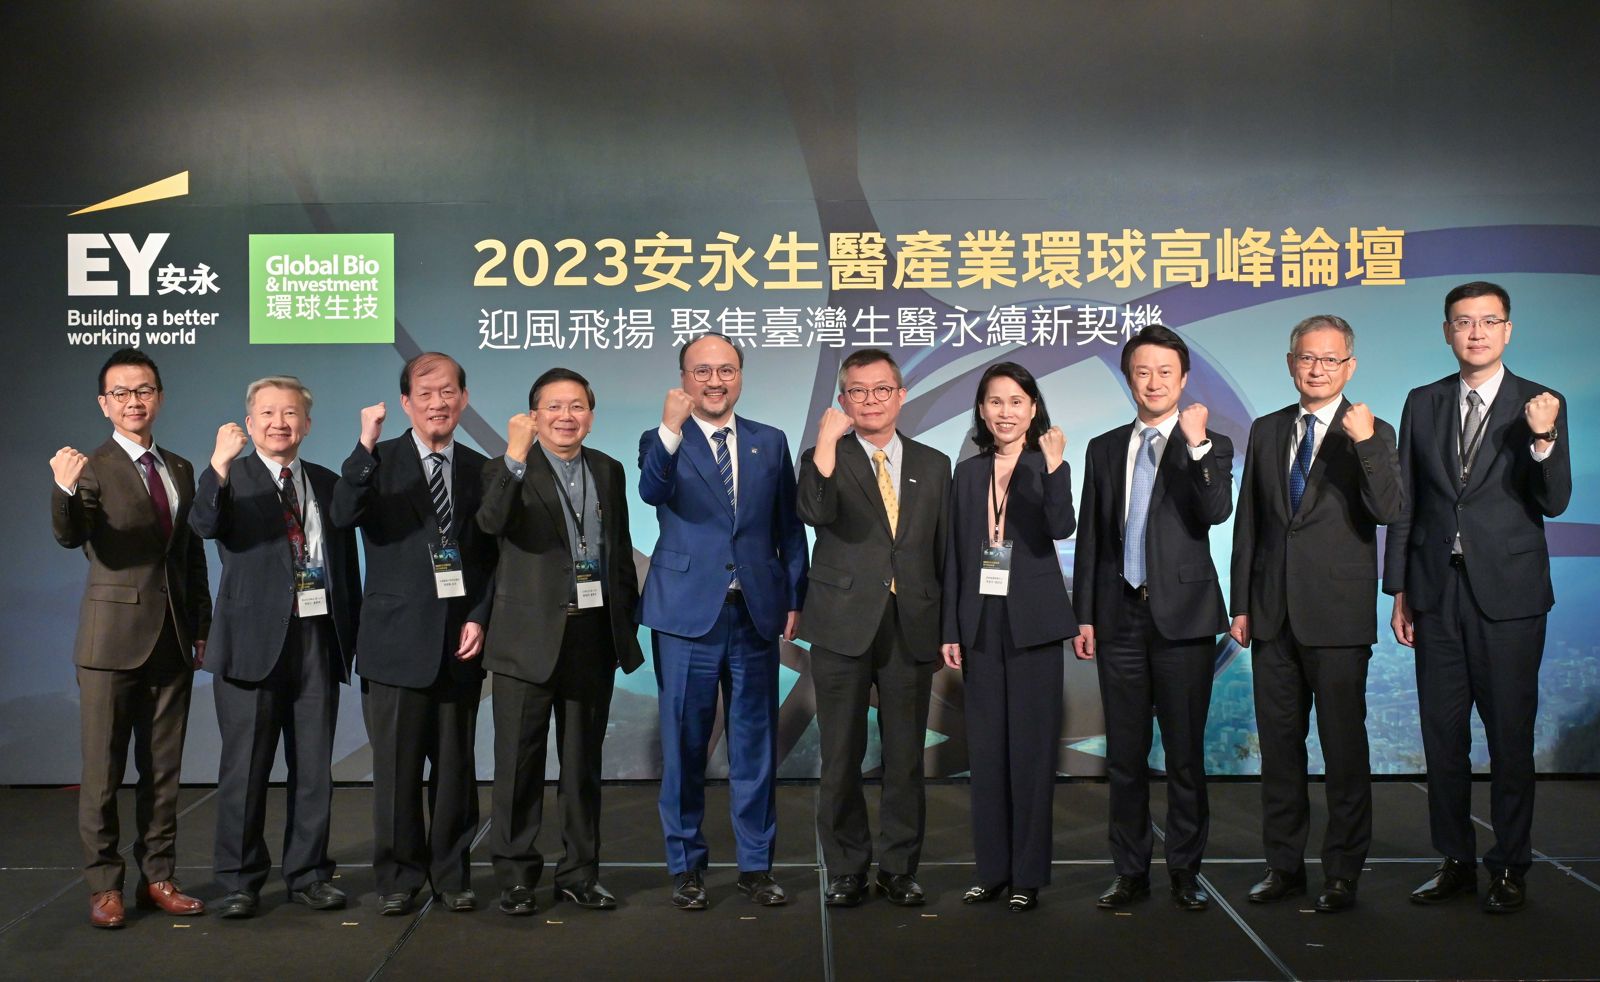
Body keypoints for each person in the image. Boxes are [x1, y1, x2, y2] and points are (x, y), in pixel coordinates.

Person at [1385, 281, 1569, 914]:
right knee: (1442, 737)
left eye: (1489, 321)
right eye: (1464, 322)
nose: (1476, 333)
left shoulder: (1540, 402)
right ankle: (1456, 860)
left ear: (1508, 330)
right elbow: (1407, 502)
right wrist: (1400, 587)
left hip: (1510, 597)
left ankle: (1510, 864)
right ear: (1447, 331)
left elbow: (1555, 500)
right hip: (1436, 591)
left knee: (1510, 737)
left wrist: (1542, 441)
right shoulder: (1423, 401)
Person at [1228, 317, 1402, 913]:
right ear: (1290, 363)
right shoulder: (1268, 428)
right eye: (1307, 358)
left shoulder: (1373, 429)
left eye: (1330, 359)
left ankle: (1343, 872)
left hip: (1337, 618)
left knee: (1344, 751)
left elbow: (1389, 510)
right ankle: (1283, 866)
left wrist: (1366, 443)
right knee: (1280, 750)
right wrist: (1241, 603)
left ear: (1350, 366)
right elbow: (1250, 523)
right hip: (1272, 615)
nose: (1317, 369)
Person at [637, 333, 808, 909]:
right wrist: (670, 426)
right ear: (684, 379)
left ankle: (756, 865)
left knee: (755, 745)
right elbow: (652, 490)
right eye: (703, 371)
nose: (716, 381)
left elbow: (788, 528)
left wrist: (794, 595)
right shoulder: (661, 439)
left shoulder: (769, 440)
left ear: (740, 376)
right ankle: (686, 866)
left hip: (755, 612)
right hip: (686, 616)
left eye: (727, 370)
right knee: (685, 744)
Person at [328, 352, 496, 915]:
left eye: (448, 392)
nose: (437, 403)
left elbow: (490, 557)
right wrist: (365, 444)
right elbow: (342, 514)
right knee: (396, 772)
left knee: (455, 772)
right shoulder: (378, 461)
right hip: (394, 641)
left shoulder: (480, 469)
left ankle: (452, 873)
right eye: (425, 393)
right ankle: (398, 877)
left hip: (459, 642)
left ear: (464, 399)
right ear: (405, 402)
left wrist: (480, 615)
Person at [1073, 324, 1233, 912]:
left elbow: (1216, 511)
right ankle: (1129, 871)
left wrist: (1196, 445)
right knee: (1125, 755)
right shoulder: (1105, 447)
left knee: (1185, 755)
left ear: (1184, 379)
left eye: (1166, 372)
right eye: (1142, 371)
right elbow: (1092, 537)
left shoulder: (1210, 444)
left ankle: (1186, 872)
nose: (1154, 382)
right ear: (1128, 378)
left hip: (1184, 619)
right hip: (1118, 617)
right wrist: (1085, 615)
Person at [49, 348, 210, 928]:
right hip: (110, 643)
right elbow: (73, 535)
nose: (133, 401)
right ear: (104, 404)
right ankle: (105, 887)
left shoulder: (181, 468)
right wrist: (64, 491)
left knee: (163, 771)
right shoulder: (89, 468)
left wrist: (201, 627)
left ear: (159, 397)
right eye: (120, 392)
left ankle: (158, 877)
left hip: (172, 638)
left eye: (143, 390)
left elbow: (190, 556)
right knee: (103, 773)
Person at [190, 376, 362, 919]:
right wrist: (218, 465)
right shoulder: (229, 477)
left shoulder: (326, 483)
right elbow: (203, 524)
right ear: (249, 423)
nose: (279, 423)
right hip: (250, 644)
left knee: (313, 768)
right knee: (244, 769)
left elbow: (345, 563)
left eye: (290, 413)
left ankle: (308, 873)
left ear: (307, 424)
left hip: (316, 638)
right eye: (267, 413)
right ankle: (239, 881)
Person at [478, 368, 644, 917]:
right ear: (533, 416)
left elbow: (618, 549)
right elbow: (490, 523)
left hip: (591, 637)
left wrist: (625, 617)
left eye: (577, 406)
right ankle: (516, 876)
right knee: (518, 766)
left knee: (581, 767)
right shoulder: (504, 468)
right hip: (525, 640)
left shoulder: (608, 469)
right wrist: (515, 455)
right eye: (553, 407)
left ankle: (579, 873)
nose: (566, 417)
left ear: (591, 416)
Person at [797, 349, 950, 908]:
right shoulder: (824, 456)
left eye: (881, 389)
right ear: (842, 400)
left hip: (912, 622)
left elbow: (943, 551)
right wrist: (825, 443)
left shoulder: (933, 463)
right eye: (857, 391)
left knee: (905, 757)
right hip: (842, 623)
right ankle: (845, 868)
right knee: (841, 754)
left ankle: (900, 868)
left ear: (900, 395)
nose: (870, 400)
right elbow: (812, 513)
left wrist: (948, 624)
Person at [940, 361, 1074, 912]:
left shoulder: (1048, 463)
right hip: (980, 622)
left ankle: (1028, 876)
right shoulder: (968, 473)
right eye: (995, 401)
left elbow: (1061, 526)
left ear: (1033, 408)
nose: (1005, 412)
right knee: (988, 752)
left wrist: (1056, 466)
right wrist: (951, 626)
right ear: (981, 409)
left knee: (1032, 753)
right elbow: (955, 553)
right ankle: (992, 870)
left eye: (1016, 401)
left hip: (1034, 622)